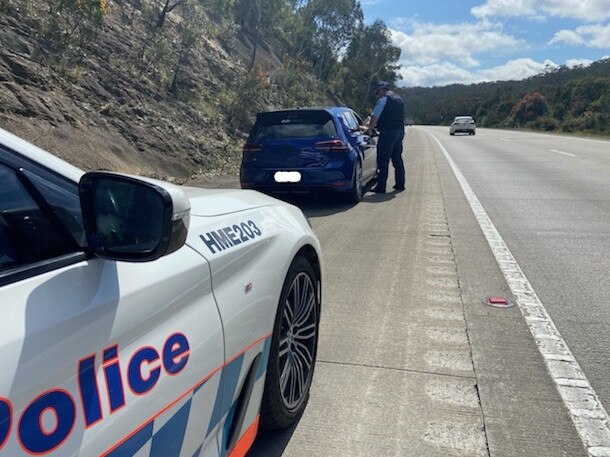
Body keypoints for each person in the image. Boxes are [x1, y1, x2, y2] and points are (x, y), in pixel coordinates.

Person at [362, 81, 406, 193]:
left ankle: (381, 186)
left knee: (382, 158)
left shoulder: (384, 99)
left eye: (379, 92)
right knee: (397, 157)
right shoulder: (399, 99)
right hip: (399, 131)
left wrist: (369, 126)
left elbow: (375, 116)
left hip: (388, 132)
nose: (379, 94)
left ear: (382, 90)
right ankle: (400, 184)